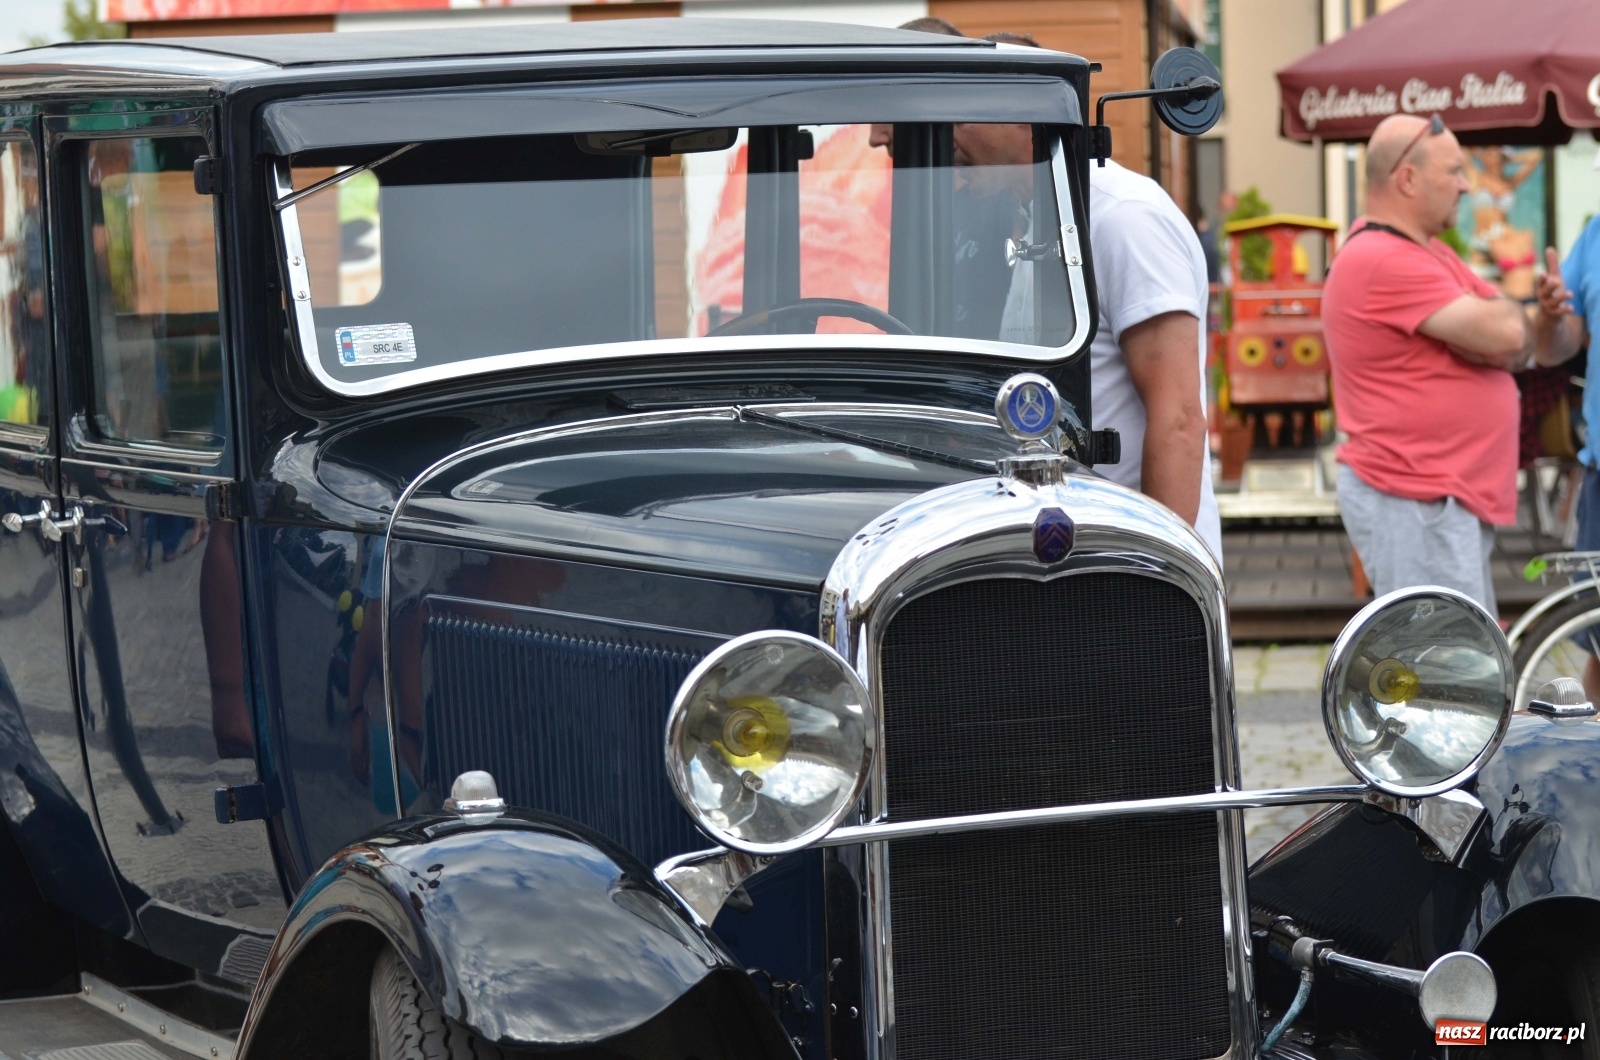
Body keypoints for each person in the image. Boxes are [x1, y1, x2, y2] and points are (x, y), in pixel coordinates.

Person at [966, 32, 1219, 558]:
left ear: (1021, 115)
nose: (947, 134)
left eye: (964, 114)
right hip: (1071, 564)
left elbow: (1177, 419)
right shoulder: (1042, 217)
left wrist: (1157, 572)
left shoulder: (1123, 217)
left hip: (1128, 573)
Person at [1323, 113, 1528, 615]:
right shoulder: (1383, 258)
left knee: (1460, 669)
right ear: (1408, 179)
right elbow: (1510, 330)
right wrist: (1493, 328)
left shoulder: (1428, 254)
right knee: (1446, 674)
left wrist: (1494, 331)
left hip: (1431, 498)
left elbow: (1513, 336)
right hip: (1417, 498)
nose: (1465, 185)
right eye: (1454, 171)